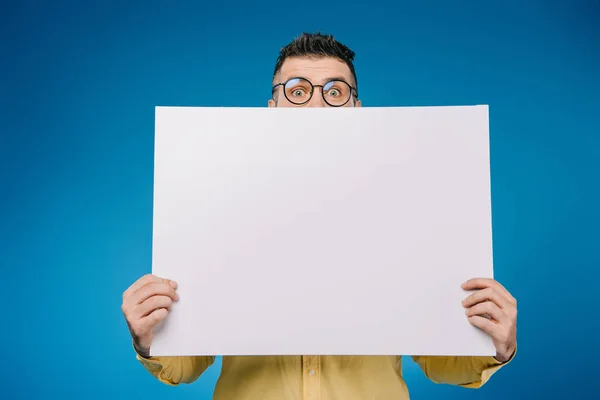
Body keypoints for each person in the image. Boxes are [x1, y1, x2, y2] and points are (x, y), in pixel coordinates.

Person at [121, 32, 517, 400]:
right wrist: (150, 337)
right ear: (271, 107)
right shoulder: (213, 205)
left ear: (357, 107)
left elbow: (443, 362)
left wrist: (495, 345)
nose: (314, 105)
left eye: (335, 92)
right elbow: (186, 364)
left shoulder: (408, 209)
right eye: (297, 91)